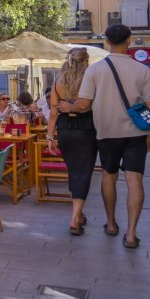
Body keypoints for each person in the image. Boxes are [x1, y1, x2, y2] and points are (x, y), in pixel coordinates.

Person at [57, 24, 150, 248]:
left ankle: (111, 224)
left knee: (109, 176)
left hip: (106, 133)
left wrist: (66, 107)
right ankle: (131, 234)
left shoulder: (95, 70)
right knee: (135, 179)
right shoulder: (143, 70)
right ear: (129, 40)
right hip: (136, 133)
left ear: (107, 42)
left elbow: (84, 105)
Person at [48, 47, 96, 236]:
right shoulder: (90, 80)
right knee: (83, 172)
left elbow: (53, 113)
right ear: (85, 62)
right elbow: (92, 105)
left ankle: (79, 213)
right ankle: (75, 218)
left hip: (65, 129)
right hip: (86, 128)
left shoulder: (58, 82)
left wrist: (50, 137)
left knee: (74, 171)